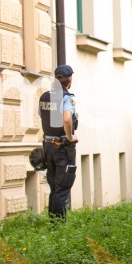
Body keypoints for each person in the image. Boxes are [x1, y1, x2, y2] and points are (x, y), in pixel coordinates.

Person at [39, 64, 79, 219]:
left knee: (54, 186)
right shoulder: (67, 97)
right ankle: (58, 226)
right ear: (69, 80)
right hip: (63, 147)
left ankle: (53, 223)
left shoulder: (44, 97)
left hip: (48, 146)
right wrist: (70, 137)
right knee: (63, 186)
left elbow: (43, 116)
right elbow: (67, 118)